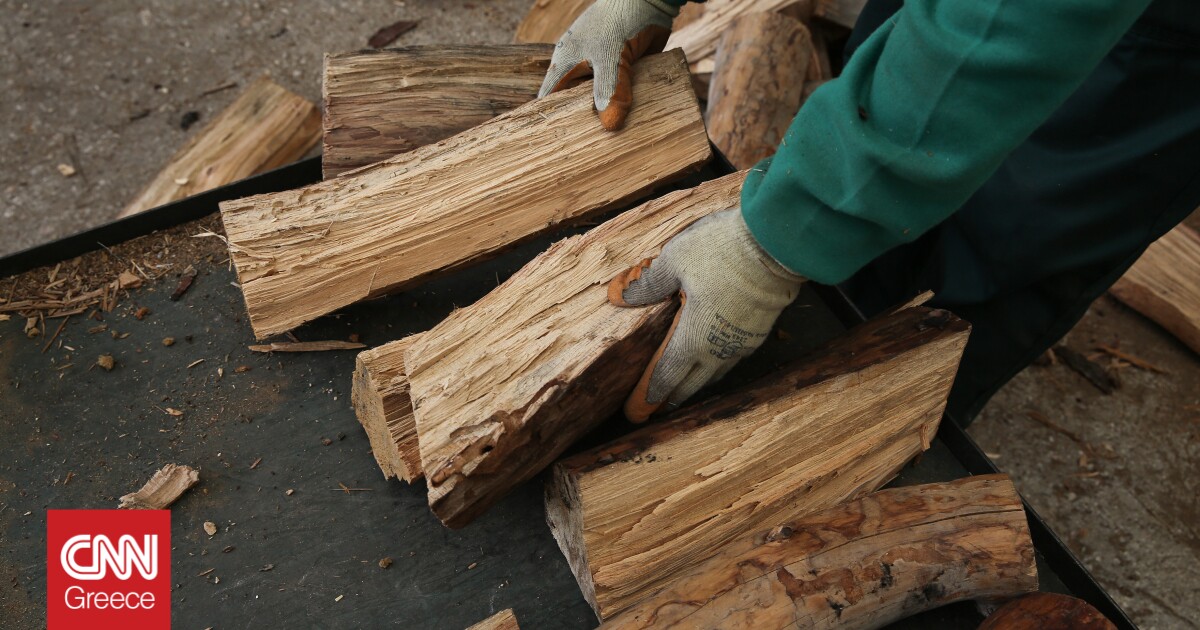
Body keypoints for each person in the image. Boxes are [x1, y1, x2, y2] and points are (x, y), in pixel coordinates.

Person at [538, 0, 1200, 423]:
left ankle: (859, 427)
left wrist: (782, 239)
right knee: (894, 74)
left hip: (1140, 43)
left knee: (996, 252)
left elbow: (1012, 21)